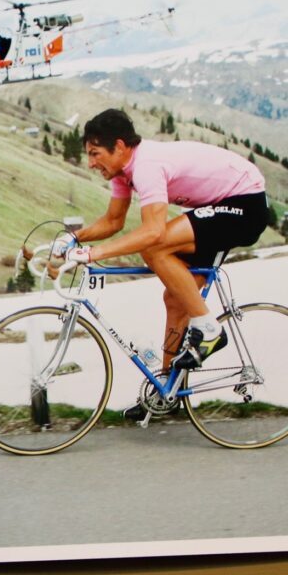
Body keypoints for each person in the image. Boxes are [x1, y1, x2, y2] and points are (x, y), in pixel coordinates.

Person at [57, 108, 269, 419]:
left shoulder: (146, 165)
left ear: (119, 146)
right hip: (217, 207)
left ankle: (210, 331)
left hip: (244, 204)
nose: (90, 163)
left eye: (95, 153)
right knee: (176, 299)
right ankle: (167, 393)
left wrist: (92, 254)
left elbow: (153, 232)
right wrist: (74, 238)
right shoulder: (123, 173)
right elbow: (113, 221)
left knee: (154, 247)